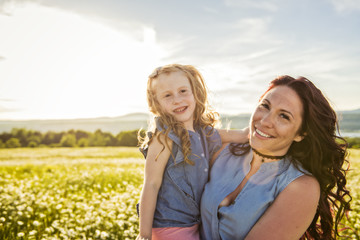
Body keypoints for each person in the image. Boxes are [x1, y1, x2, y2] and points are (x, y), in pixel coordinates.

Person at [200, 75, 351, 240]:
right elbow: (179, 138)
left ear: (301, 134)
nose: (265, 121)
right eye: (265, 106)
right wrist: (239, 134)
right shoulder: (222, 151)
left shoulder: (301, 186)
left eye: (284, 116)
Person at [136, 64, 248, 240]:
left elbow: (242, 136)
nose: (177, 100)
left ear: (195, 92)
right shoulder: (164, 137)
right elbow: (151, 184)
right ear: (156, 103)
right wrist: (144, 234)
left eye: (183, 91)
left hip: (197, 223)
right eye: (167, 96)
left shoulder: (205, 133)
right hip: (170, 226)